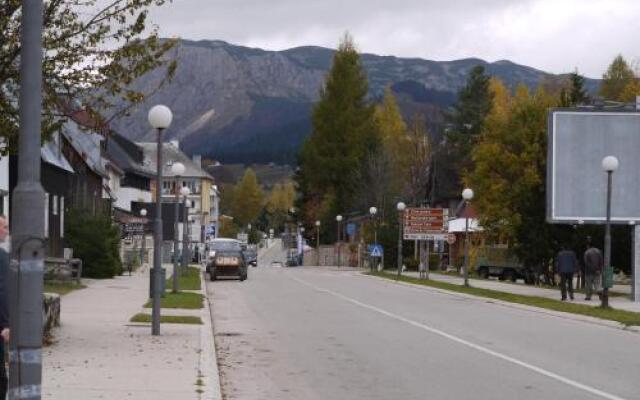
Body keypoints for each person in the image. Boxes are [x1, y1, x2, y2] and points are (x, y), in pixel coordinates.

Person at [0, 216, 10, 399]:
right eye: (5, 227)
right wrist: (6, 324)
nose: (8, 232)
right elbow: (3, 291)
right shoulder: (2, 258)